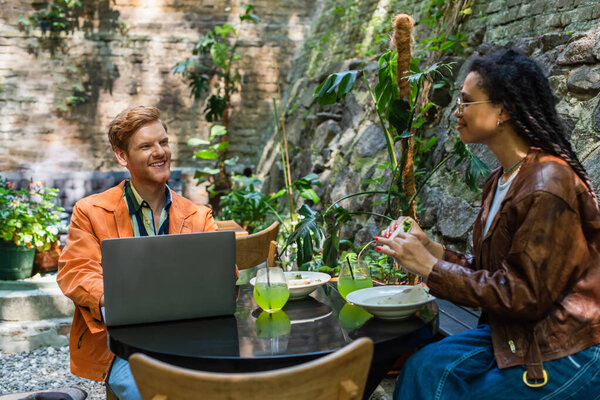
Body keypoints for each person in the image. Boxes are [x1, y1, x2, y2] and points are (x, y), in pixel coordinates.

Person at [376, 48, 600, 399]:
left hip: (569, 342)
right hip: (520, 328)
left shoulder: (549, 182)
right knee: (423, 367)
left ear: (503, 110)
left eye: (466, 102)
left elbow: (524, 295)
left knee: (444, 387)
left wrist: (432, 269)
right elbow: (495, 274)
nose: (457, 112)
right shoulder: (500, 179)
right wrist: (430, 249)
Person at [57, 106, 219, 399]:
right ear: (122, 157)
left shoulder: (199, 215)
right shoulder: (89, 211)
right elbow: (76, 271)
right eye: (146, 146)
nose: (160, 152)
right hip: (125, 349)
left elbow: (222, 275)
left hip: (192, 339)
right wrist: (124, 296)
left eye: (163, 142)